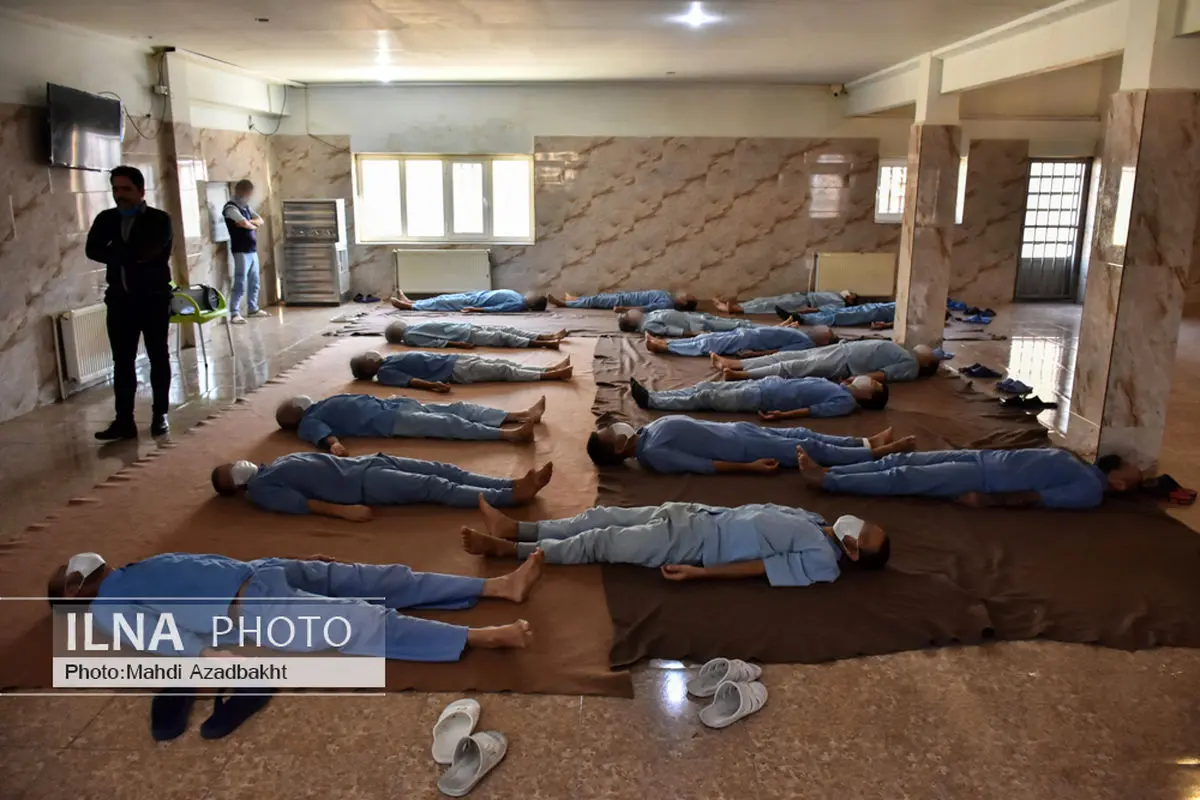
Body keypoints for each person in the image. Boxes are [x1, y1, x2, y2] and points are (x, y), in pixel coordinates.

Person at [47, 550, 539, 662]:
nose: (79, 564)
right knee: (361, 622)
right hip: (254, 609)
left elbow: (204, 565)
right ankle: (481, 637)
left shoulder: (134, 569)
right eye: (69, 574)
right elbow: (160, 639)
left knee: (382, 579)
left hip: (261, 573)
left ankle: (496, 587)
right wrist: (207, 659)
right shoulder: (107, 605)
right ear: (73, 592)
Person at [461, 498, 891, 586]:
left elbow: (761, 568)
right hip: (694, 512)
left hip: (693, 545)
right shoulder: (817, 521)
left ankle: (511, 551)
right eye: (870, 522)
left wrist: (701, 573)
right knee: (601, 516)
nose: (862, 522)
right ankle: (518, 529)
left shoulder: (823, 561)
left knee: (602, 540)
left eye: (864, 533)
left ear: (854, 551)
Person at [85, 165, 175, 440]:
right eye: (115, 189)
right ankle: (124, 420)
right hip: (120, 302)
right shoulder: (107, 218)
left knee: (157, 356)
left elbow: (148, 252)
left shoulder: (159, 220)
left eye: (125, 189)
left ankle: (160, 414)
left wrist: (115, 251)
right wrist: (126, 254)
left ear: (140, 190)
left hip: (153, 300)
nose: (119, 195)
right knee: (122, 362)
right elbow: (92, 250)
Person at [211, 452, 554, 517]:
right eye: (233, 475)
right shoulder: (260, 490)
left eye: (232, 466)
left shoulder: (270, 464)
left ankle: (509, 483)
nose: (238, 469)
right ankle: (509, 498)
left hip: (369, 462)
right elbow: (302, 504)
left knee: (446, 469)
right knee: (435, 486)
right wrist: (344, 512)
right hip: (364, 484)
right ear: (236, 488)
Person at [797, 449, 1144, 510]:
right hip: (981, 458)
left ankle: (828, 482)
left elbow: (1037, 497)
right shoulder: (1086, 468)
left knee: (904, 476)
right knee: (899, 460)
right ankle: (830, 473)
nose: (1130, 464)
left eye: (1133, 471)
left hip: (983, 477)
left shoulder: (1088, 491)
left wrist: (986, 500)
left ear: (1121, 484)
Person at [586, 416, 916, 473]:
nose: (617, 427)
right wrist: (749, 468)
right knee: (808, 448)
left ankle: (861, 441)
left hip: (740, 432)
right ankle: (871, 454)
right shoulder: (653, 454)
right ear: (619, 449)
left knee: (802, 433)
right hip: (742, 450)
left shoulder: (646, 432)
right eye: (612, 433)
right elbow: (703, 466)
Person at [275, 394, 547, 453]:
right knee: (447, 423)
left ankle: (518, 415)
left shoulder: (319, 404)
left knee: (459, 408)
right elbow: (322, 435)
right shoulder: (309, 421)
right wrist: (334, 445)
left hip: (392, 405)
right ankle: (508, 436)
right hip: (388, 421)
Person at [629, 374, 888, 417]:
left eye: (873, 385)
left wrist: (783, 415)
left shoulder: (845, 402)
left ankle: (653, 402)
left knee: (707, 398)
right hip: (766, 385)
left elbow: (813, 411)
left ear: (868, 397)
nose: (869, 380)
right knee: (704, 388)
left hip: (762, 399)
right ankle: (655, 394)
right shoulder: (843, 388)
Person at [716, 341, 942, 383]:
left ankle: (742, 375)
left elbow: (884, 374)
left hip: (847, 363)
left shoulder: (911, 366)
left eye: (931, 354)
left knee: (797, 367)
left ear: (926, 363)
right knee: (791, 356)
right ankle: (739, 364)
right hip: (843, 349)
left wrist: (857, 380)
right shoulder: (907, 352)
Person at [350, 350, 572, 389]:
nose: (371, 356)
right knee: (504, 371)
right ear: (368, 369)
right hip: (454, 372)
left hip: (454, 359)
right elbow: (411, 382)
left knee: (503, 364)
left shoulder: (388, 360)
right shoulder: (386, 374)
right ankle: (550, 376)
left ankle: (548, 368)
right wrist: (434, 386)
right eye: (367, 359)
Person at [222, 179, 268, 324]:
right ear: (241, 192)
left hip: (251, 249)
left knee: (255, 281)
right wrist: (249, 224)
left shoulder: (246, 207)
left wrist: (251, 223)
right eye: (248, 193)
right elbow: (243, 223)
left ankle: (252, 308)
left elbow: (259, 220)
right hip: (240, 250)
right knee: (240, 281)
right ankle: (235, 312)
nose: (249, 196)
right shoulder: (230, 208)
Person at [644, 325, 836, 358]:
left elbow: (779, 353)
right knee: (705, 338)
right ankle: (665, 343)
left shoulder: (806, 344)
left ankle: (665, 347)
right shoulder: (802, 334)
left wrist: (754, 355)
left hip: (747, 340)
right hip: (746, 334)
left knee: (706, 344)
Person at [384, 319, 565, 350]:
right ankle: (545, 344)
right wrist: (459, 345)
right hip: (464, 336)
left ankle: (544, 337)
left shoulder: (414, 327)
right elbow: (437, 343)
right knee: (502, 338)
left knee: (506, 330)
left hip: (466, 328)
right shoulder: (411, 337)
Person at [618, 308, 761, 337]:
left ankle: (760, 327)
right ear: (632, 322)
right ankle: (763, 329)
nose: (631, 310)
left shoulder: (648, 315)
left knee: (732, 321)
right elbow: (670, 330)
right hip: (695, 325)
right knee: (733, 326)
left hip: (693, 317)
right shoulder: (647, 326)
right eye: (628, 314)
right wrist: (693, 334)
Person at [390, 289, 548, 313]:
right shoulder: (519, 296)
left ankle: (410, 307)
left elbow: (497, 309)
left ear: (533, 304)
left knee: (442, 304)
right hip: (477, 295)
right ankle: (412, 302)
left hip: (477, 302)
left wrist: (475, 310)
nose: (532, 293)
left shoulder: (519, 304)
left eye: (535, 296)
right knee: (444, 298)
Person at [716, 290, 858, 315]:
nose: (849, 294)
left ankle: (737, 310)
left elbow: (820, 309)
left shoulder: (840, 304)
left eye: (851, 295)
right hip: (800, 296)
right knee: (765, 300)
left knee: (768, 306)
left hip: (803, 303)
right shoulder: (837, 294)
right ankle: (735, 307)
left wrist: (804, 311)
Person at [548, 290, 697, 312]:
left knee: (595, 301)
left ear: (684, 303)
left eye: (687, 296)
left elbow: (645, 308)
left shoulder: (667, 304)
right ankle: (574, 299)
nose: (686, 293)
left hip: (623, 300)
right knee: (597, 298)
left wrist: (624, 309)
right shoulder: (669, 297)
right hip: (625, 295)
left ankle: (565, 304)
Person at [784, 301, 896, 328]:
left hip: (878, 313)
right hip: (878, 306)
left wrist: (886, 325)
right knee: (839, 311)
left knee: (842, 316)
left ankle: (803, 319)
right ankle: (796, 315)